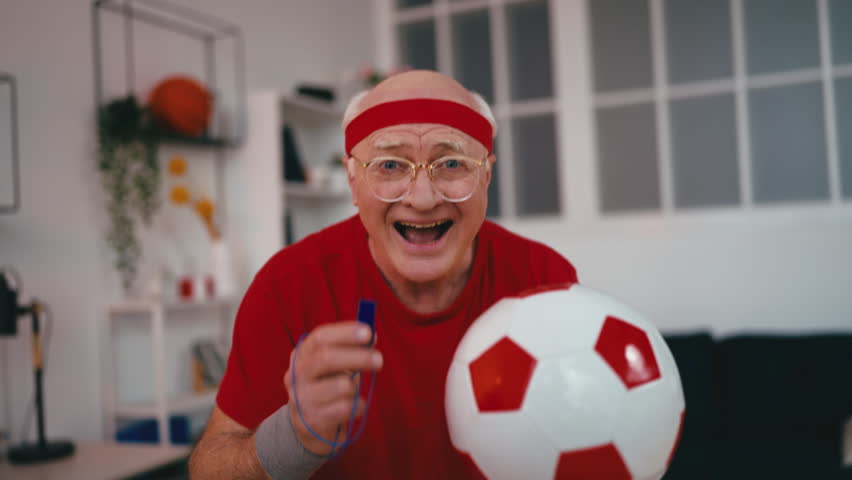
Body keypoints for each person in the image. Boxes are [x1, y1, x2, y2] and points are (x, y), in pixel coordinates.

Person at [188, 70, 578, 479]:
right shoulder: (288, 285)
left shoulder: (544, 279)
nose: (423, 198)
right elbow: (208, 471)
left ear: (486, 175)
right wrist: (295, 436)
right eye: (390, 164)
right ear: (354, 180)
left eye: (452, 163)